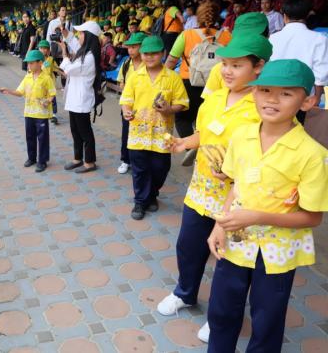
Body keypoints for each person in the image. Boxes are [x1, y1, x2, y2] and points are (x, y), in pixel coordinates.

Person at [157, 34, 272, 344]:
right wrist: (184, 143)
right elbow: (205, 133)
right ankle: (185, 292)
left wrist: (234, 172)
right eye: (225, 64)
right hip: (200, 190)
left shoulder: (263, 106)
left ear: (258, 67)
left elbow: (266, 155)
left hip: (237, 198)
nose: (227, 71)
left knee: (229, 261)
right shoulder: (216, 97)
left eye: (236, 65)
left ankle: (220, 318)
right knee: (188, 245)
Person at [206, 59, 328, 352]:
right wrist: (219, 225)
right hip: (236, 241)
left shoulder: (312, 155)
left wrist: (256, 216)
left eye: (286, 93)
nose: (272, 99)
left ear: (307, 101)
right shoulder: (242, 135)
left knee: (267, 320)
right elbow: (236, 185)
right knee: (221, 311)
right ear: (253, 92)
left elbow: (312, 217)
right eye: (265, 90)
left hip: (277, 252)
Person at [120, 36, 189, 220]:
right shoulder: (135, 77)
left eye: (154, 53)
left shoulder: (173, 77)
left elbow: (182, 103)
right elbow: (126, 100)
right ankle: (140, 201)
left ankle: (152, 194)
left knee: (160, 167)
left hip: (162, 135)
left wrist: (169, 109)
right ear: (141, 54)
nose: (150, 57)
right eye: (146, 53)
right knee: (139, 169)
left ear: (163, 53)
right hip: (138, 133)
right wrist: (127, 111)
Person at [165, 1, 232, 161]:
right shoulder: (227, 36)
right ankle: (211, 152)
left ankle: (191, 146)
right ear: (218, 17)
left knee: (183, 118)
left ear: (197, 17)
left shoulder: (186, 35)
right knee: (209, 120)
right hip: (217, 87)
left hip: (189, 83)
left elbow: (171, 62)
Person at [269, 0, 328, 121]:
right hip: (304, 98)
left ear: (284, 17)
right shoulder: (319, 39)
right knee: (300, 128)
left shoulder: (273, 38)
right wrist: (317, 98)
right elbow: (321, 73)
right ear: (307, 15)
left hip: (276, 95)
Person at [0, 50, 56, 173]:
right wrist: (8, 91)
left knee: (42, 138)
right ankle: (32, 158)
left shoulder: (46, 78)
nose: (28, 65)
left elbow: (52, 94)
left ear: (40, 63)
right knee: (30, 136)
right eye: (28, 63)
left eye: (31, 63)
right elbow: (20, 92)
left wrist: (47, 101)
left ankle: (42, 161)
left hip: (41, 114)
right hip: (29, 113)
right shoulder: (27, 77)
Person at [57, 21, 101, 174]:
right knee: (75, 130)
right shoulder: (84, 51)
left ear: (88, 37)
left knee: (85, 132)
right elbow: (73, 42)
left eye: (81, 33)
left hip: (81, 100)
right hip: (74, 99)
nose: (78, 36)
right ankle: (77, 158)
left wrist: (64, 54)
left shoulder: (89, 58)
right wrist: (65, 32)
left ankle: (90, 162)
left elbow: (69, 70)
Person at [116, 32, 146, 174]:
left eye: (134, 47)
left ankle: (140, 161)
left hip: (144, 106)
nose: (130, 50)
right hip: (128, 106)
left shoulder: (148, 64)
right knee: (126, 133)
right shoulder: (126, 64)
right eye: (129, 47)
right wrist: (127, 90)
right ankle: (126, 160)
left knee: (143, 133)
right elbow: (121, 82)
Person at [38, 40, 60, 125]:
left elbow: (56, 68)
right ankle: (43, 112)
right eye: (41, 48)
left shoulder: (51, 59)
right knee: (42, 98)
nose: (43, 50)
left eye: (45, 48)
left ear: (48, 50)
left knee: (53, 99)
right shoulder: (37, 60)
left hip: (50, 83)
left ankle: (54, 115)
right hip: (41, 83)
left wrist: (64, 74)